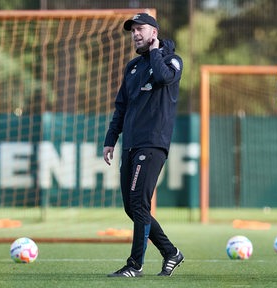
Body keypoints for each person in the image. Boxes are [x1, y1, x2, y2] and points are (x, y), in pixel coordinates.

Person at [103, 13, 184, 277]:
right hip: (131, 144)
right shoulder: (132, 67)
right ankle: (171, 252)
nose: (135, 34)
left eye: (141, 29)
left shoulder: (171, 60)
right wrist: (110, 140)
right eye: (132, 30)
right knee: (132, 207)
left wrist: (156, 51)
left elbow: (162, 78)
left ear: (154, 32)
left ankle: (134, 265)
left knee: (139, 203)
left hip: (152, 144)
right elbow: (121, 107)